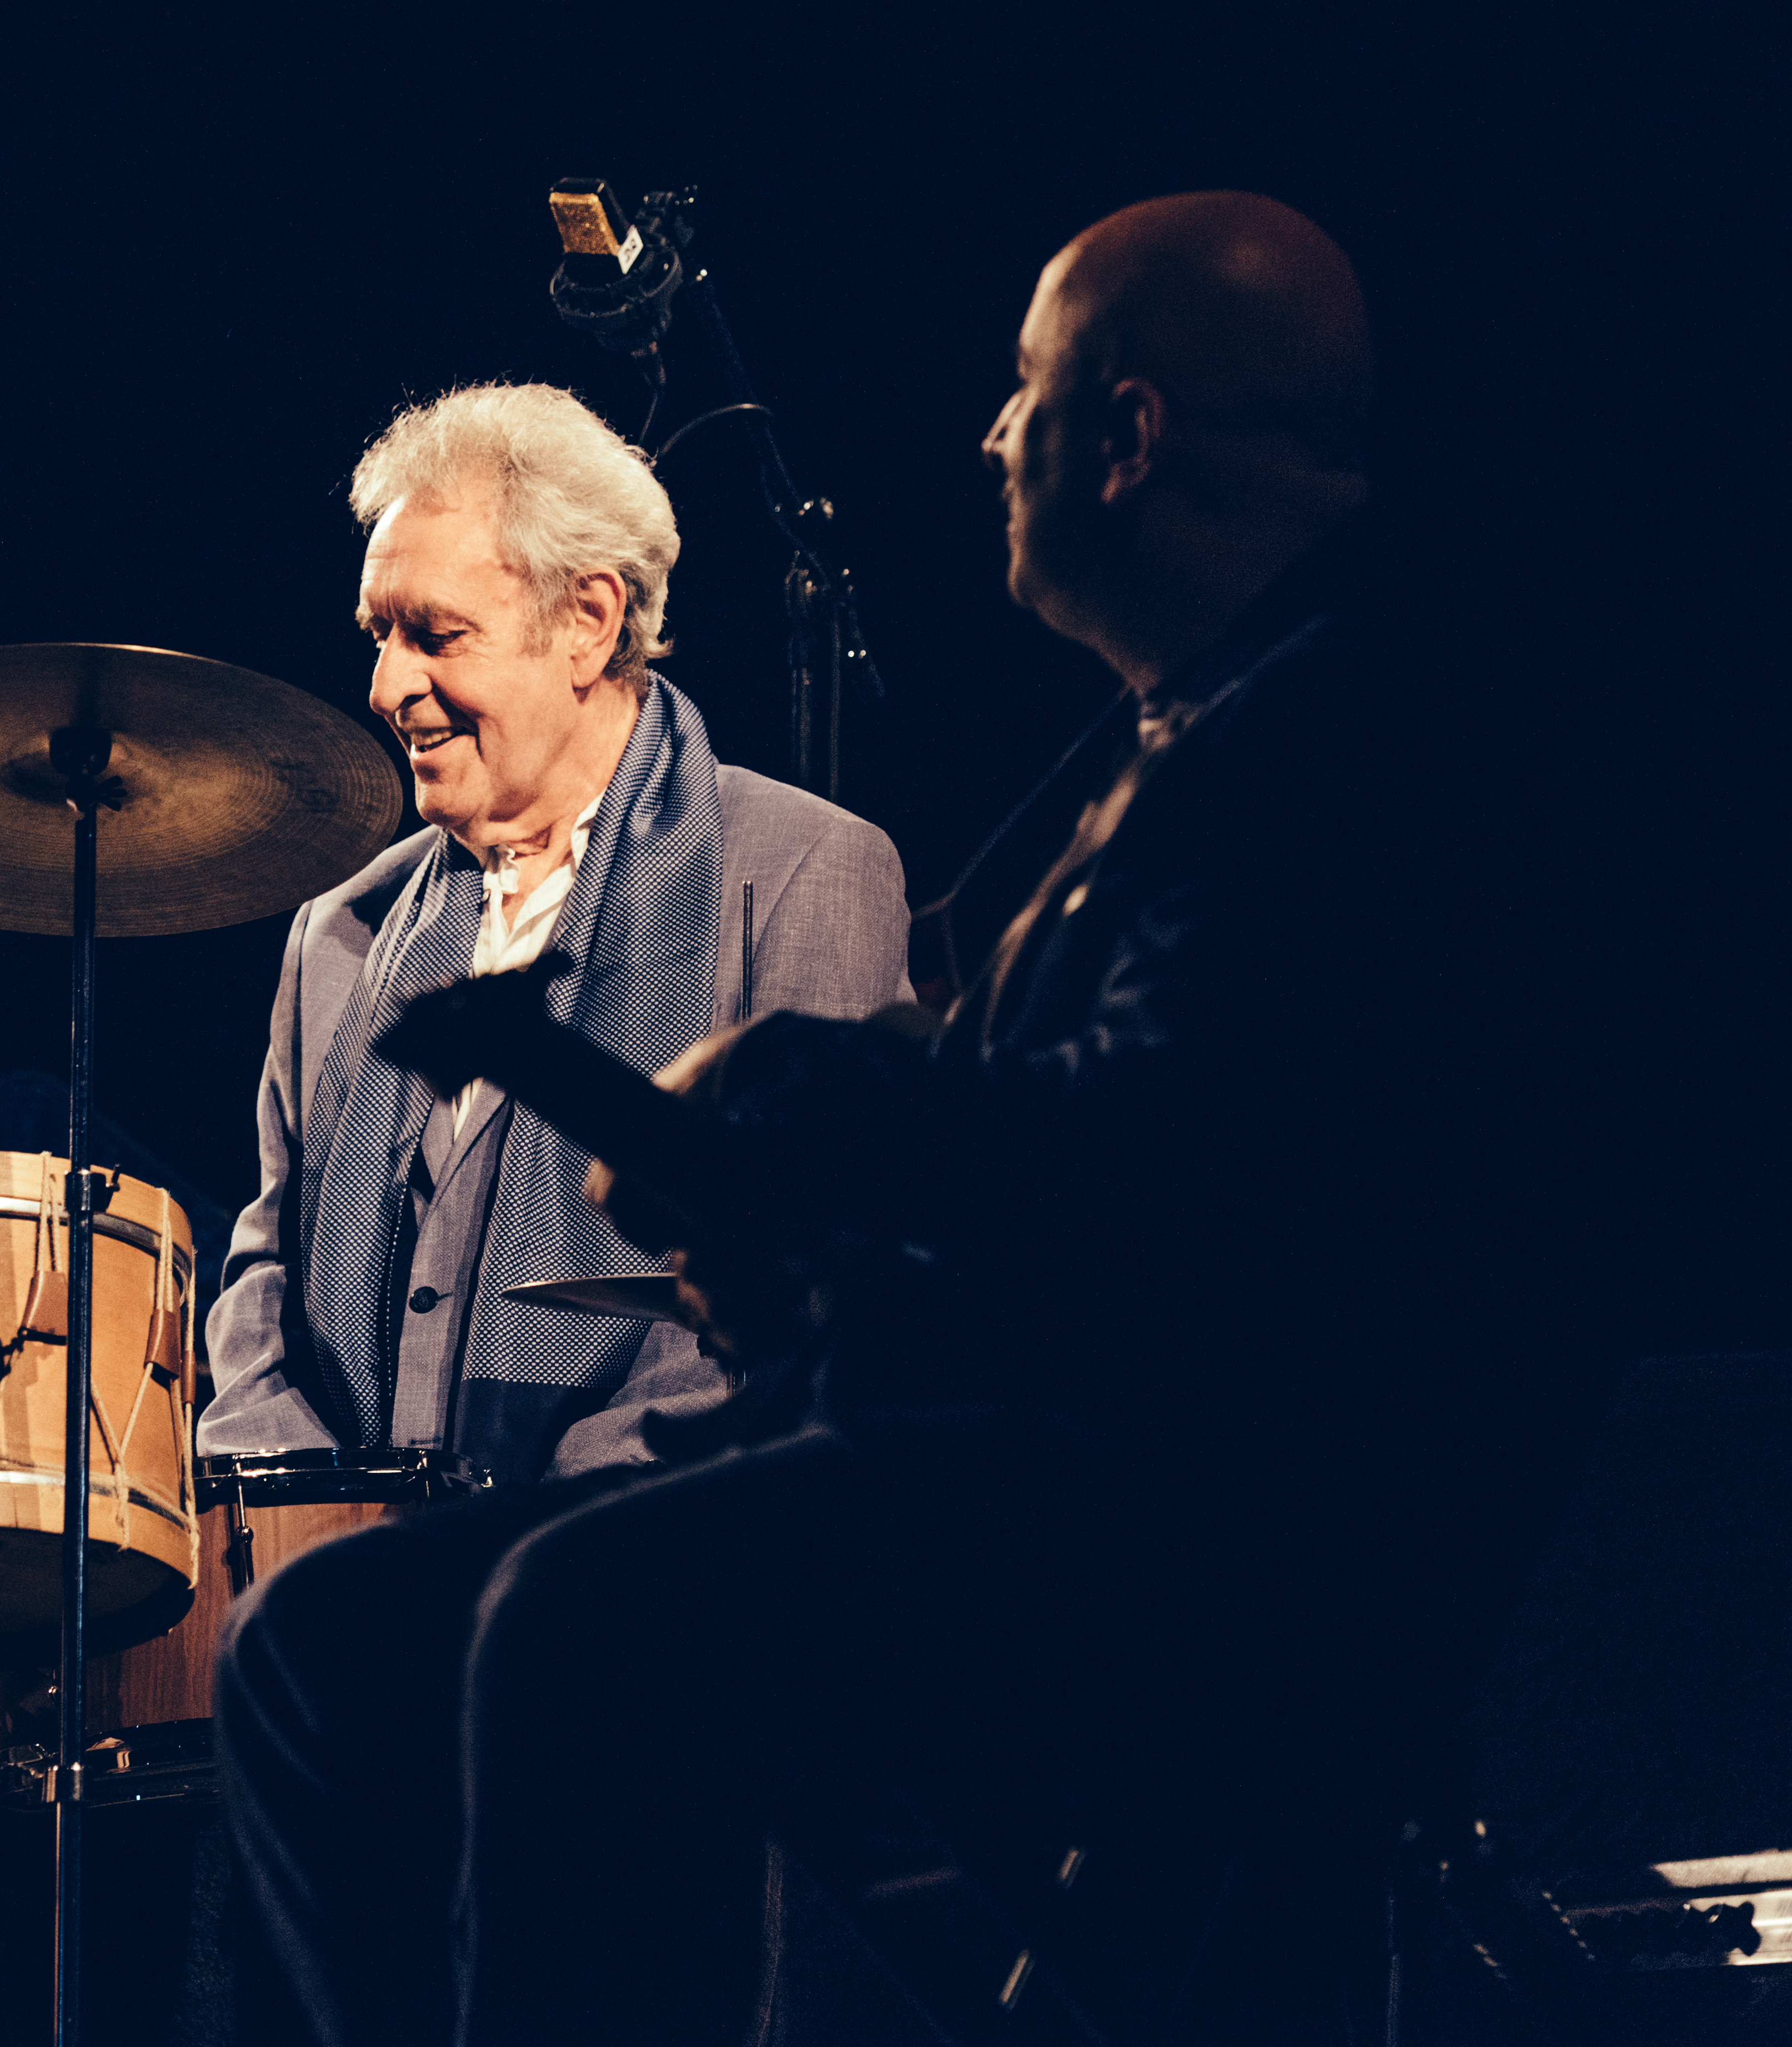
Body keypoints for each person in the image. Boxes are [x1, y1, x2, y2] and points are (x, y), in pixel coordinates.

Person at [220, 194, 1604, 2046]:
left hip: (1194, 1550)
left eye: (1022, 392)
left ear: (1124, 437)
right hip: (1074, 1487)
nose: (986, 436)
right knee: (321, 1643)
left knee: (580, 1622)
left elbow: (1172, 1163)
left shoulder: (1355, 728)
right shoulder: (1199, 726)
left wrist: (810, 1098)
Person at [199, 384, 908, 1487]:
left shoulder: (803, 872)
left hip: (646, 1548)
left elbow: (801, 1292)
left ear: (588, 621)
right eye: (377, 636)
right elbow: (266, 1275)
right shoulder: (338, 934)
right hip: (347, 1551)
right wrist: (295, 1505)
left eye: (435, 634)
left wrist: (530, 1523)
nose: (389, 686)